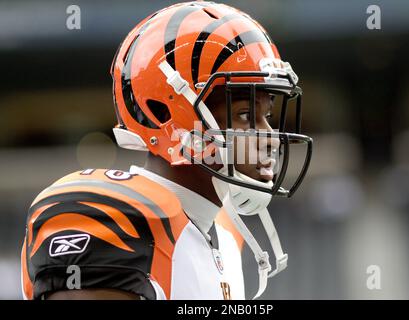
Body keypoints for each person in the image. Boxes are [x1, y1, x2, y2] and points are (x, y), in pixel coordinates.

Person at [21, 1, 312, 300]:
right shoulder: (117, 220)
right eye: (244, 115)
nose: (270, 138)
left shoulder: (223, 232)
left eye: (268, 117)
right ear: (169, 113)